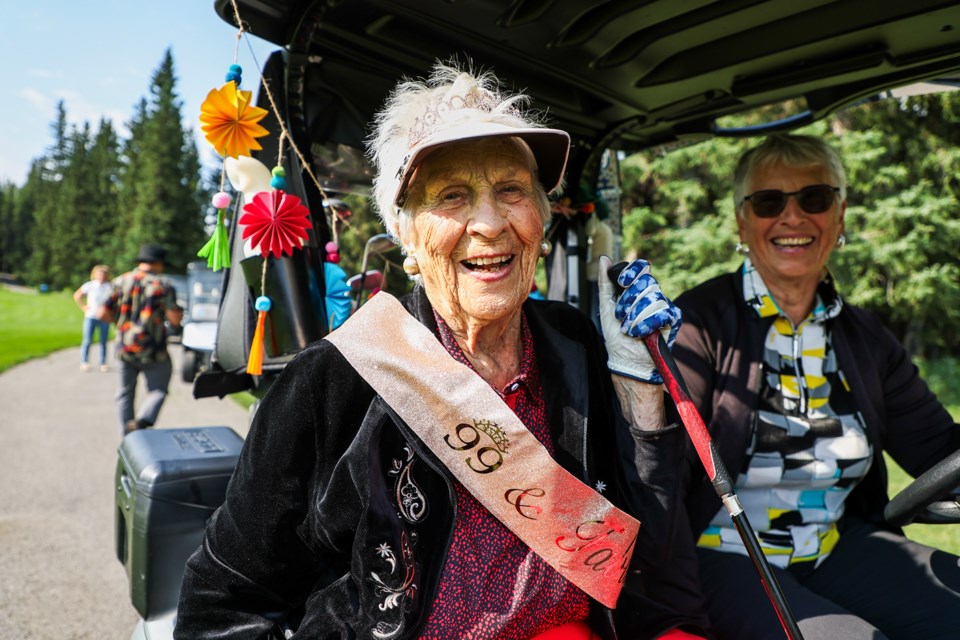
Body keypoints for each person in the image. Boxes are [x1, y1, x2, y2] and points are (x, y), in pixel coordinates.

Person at [175, 62, 706, 639]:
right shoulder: (335, 378)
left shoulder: (573, 344)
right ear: (405, 230)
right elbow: (222, 604)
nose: (488, 223)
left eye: (511, 190)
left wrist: (640, 388)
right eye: (452, 196)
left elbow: (646, 546)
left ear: (541, 216)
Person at [671, 133, 960, 639]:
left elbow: (940, 452)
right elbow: (656, 467)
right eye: (768, 202)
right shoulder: (695, 325)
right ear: (742, 221)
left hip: (833, 545)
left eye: (815, 199)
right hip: (723, 552)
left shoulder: (867, 339)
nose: (793, 216)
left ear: (839, 216)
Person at [102, 244, 182, 436]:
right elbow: (174, 318)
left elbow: (102, 313)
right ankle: (143, 421)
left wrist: (121, 324)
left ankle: (127, 435)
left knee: (124, 392)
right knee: (158, 390)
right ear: (158, 263)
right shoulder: (163, 286)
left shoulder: (120, 282)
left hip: (124, 346)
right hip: (153, 348)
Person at [73, 264, 113, 372]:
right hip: (91, 316)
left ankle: (103, 362)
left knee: (103, 340)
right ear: (94, 275)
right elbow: (77, 295)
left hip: (104, 317)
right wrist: (83, 306)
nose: (101, 276)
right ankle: (84, 361)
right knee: (87, 340)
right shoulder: (90, 285)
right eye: (99, 274)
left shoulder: (109, 286)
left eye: (104, 274)